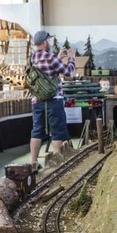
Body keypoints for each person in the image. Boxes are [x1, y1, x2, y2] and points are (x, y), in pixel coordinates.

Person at [29, 30, 75, 165]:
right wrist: (71, 58)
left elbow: (44, 69)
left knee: (37, 130)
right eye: (48, 41)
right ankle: (57, 163)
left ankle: (33, 163)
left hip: (37, 100)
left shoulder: (31, 59)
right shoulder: (50, 58)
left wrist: (58, 57)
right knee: (57, 131)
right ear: (44, 43)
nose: (49, 42)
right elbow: (69, 72)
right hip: (54, 100)